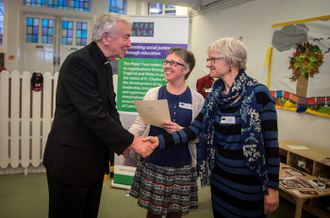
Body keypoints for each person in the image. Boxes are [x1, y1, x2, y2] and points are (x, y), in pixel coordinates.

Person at [144, 38, 280, 217]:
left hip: (249, 182)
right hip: (220, 178)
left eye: (213, 59)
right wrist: (159, 140)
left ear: (232, 61)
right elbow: (194, 129)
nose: (208, 64)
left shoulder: (258, 93)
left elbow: (271, 143)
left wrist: (273, 187)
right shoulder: (214, 95)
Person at [42, 13, 155, 218]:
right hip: (71, 163)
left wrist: (125, 142)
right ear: (105, 37)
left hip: (91, 163)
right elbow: (93, 114)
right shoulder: (79, 62)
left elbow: (110, 111)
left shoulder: (103, 64)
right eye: (126, 37)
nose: (129, 43)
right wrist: (132, 141)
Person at [128, 47, 204, 218]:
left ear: (186, 69)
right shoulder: (154, 93)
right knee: (152, 213)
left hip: (182, 165)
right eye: (166, 62)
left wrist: (182, 131)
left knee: (175, 214)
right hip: (155, 161)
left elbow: (200, 134)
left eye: (173, 63)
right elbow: (141, 122)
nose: (167, 66)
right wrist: (128, 140)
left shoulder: (197, 99)